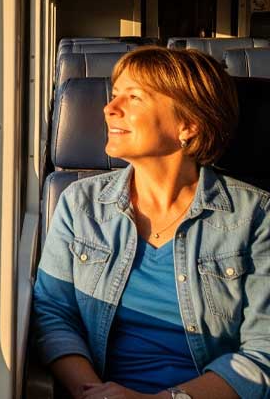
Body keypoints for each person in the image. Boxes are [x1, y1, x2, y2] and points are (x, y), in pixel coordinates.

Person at [34, 47, 270, 399]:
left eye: (134, 98)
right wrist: (93, 392)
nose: (109, 108)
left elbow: (262, 350)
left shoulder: (255, 215)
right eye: (114, 96)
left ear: (188, 124)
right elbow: (53, 314)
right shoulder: (80, 204)